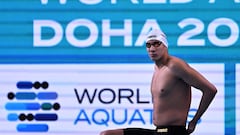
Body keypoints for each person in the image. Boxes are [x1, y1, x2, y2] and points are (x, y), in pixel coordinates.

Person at [99, 29, 217, 135]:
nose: (152, 49)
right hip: (158, 131)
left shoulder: (175, 66)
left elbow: (210, 90)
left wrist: (194, 121)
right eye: (148, 45)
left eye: (156, 44)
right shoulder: (157, 69)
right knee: (107, 134)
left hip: (173, 132)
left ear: (165, 46)